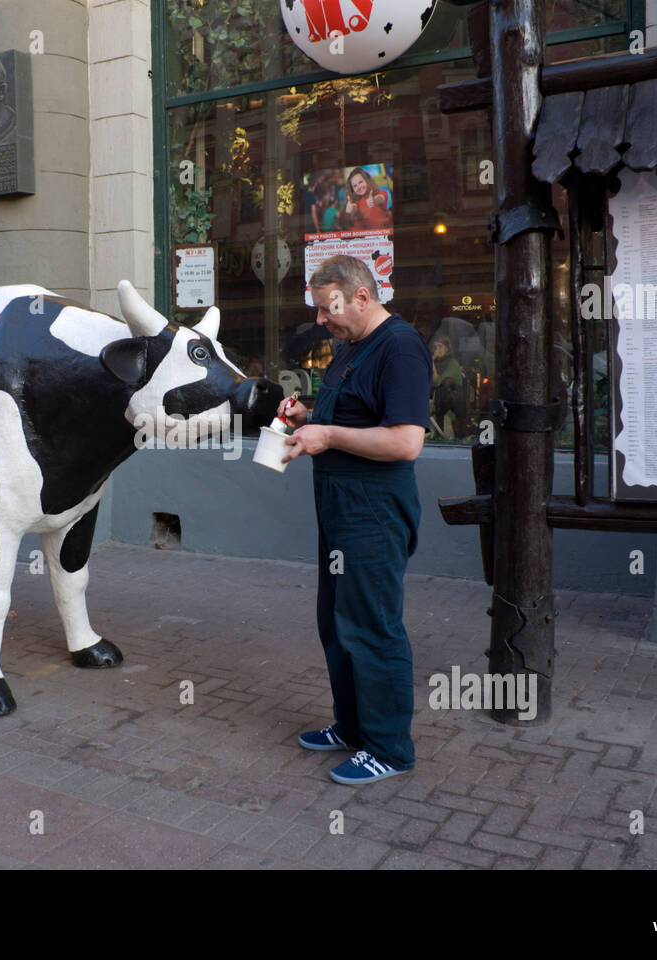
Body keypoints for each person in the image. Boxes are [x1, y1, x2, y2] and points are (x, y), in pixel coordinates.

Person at [280, 255, 431, 785]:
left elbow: (405, 441)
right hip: (340, 510)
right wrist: (309, 419)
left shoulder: (401, 346)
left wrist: (328, 436)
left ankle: (389, 749)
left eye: (328, 309)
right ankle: (352, 726)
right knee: (337, 622)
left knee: (371, 626)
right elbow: (349, 417)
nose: (321, 321)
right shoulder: (349, 348)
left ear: (361, 298)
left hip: (372, 512)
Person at [343, 167, 393, 231]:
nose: (359, 187)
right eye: (355, 186)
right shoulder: (352, 203)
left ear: (367, 180)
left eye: (360, 182)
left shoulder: (381, 193)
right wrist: (349, 213)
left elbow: (381, 198)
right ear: (352, 190)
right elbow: (348, 225)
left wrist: (374, 201)